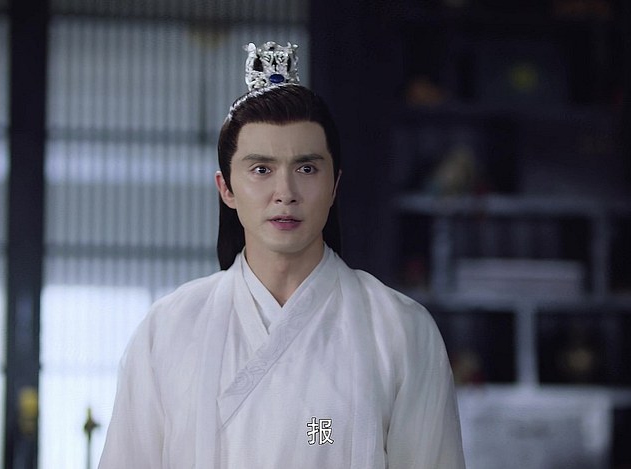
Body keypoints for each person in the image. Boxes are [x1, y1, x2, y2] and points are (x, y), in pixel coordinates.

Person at [99, 42, 465, 469]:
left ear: (334, 185)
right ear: (226, 188)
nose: (285, 193)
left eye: (306, 168)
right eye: (261, 169)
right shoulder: (168, 328)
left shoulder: (400, 328)